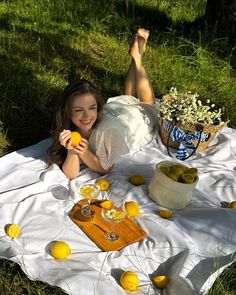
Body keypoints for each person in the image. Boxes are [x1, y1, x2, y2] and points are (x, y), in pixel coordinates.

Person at [47, 28, 158, 180]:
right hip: (116, 111)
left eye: (92, 108)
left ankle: (138, 59)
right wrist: (72, 151)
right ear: (67, 110)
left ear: (98, 106)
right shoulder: (68, 130)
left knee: (149, 105)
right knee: (128, 97)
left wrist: (85, 153)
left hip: (129, 123)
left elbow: (106, 169)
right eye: (79, 110)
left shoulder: (108, 132)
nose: (86, 116)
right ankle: (136, 55)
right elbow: (71, 174)